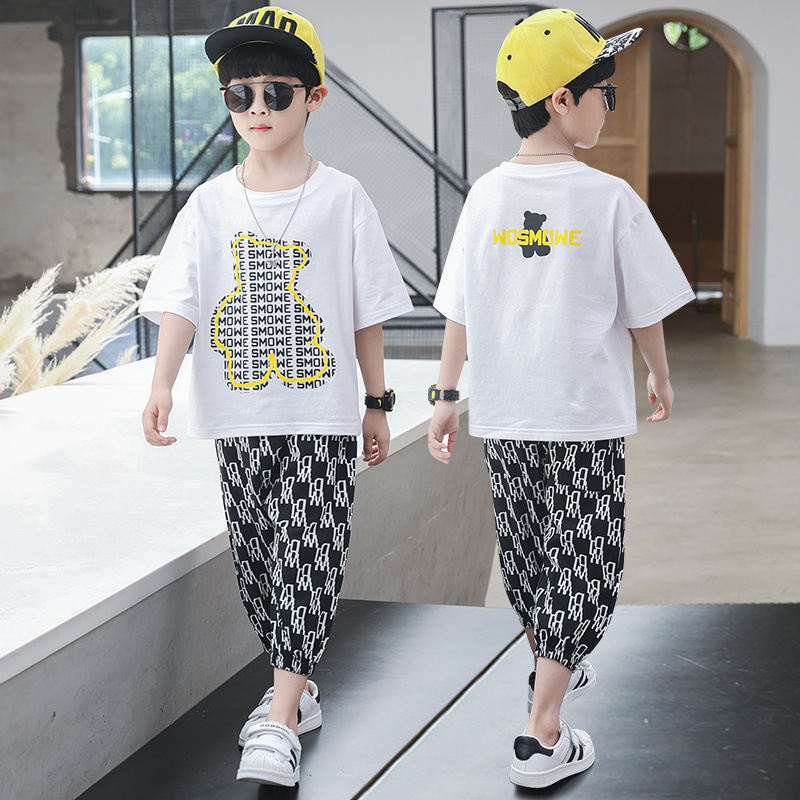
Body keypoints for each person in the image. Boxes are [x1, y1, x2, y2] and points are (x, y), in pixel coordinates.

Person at [140, 5, 412, 788]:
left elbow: (365, 311)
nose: (256, 108)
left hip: (320, 415)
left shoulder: (343, 197)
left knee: (312, 554)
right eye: (240, 94)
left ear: (314, 98)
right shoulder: (209, 204)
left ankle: (281, 717)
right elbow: (182, 299)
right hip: (237, 416)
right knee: (259, 560)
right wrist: (161, 382)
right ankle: (297, 686)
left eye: (275, 92)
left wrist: (377, 403)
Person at [428, 8, 694, 789]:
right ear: (561, 101)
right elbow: (644, 308)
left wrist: (446, 393)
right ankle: (542, 734)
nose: (610, 103)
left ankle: (555, 665)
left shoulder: (484, 196)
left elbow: (459, 307)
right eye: (604, 90)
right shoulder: (608, 199)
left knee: (530, 559)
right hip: (582, 417)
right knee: (586, 560)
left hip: (506, 413)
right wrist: (660, 373)